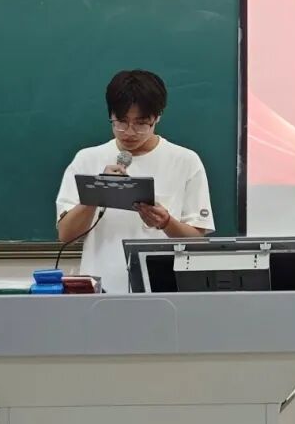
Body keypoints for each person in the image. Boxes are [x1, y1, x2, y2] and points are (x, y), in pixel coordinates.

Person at [56, 69, 214, 292]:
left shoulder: (186, 161)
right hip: (100, 290)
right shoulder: (87, 159)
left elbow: (197, 242)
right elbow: (66, 235)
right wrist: (96, 192)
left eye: (141, 123)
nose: (129, 132)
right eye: (121, 122)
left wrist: (166, 222)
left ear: (157, 117)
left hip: (164, 291)